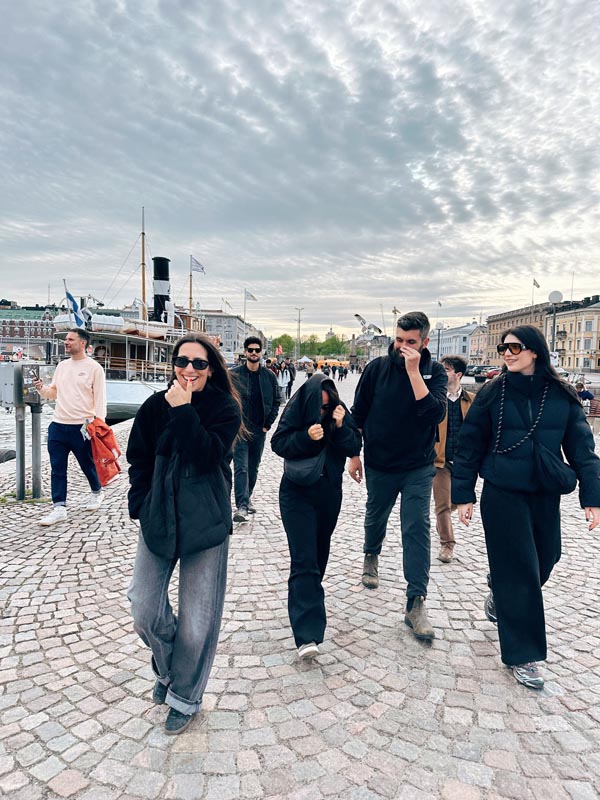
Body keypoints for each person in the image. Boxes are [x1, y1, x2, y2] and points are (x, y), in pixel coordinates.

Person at [452, 325, 600, 689]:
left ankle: (498, 590)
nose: (507, 353)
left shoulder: (562, 395)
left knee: (547, 557)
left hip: (544, 491)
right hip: (502, 492)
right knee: (520, 571)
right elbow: (469, 445)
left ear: (535, 351)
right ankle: (524, 655)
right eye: (503, 348)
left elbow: (582, 449)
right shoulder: (492, 393)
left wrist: (593, 497)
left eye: (515, 347)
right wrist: (464, 494)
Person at [126, 333, 242, 734]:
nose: (189, 369)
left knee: (198, 620)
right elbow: (139, 459)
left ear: (211, 369)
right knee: (143, 607)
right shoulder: (153, 406)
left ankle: (184, 697)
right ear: (173, 364)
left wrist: (185, 410)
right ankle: (167, 666)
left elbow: (207, 455)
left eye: (199, 363)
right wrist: (140, 504)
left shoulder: (225, 408)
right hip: (159, 516)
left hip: (205, 521)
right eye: (182, 361)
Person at [348, 311, 447, 640]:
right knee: (376, 514)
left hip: (418, 465)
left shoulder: (434, 372)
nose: (402, 346)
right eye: (399, 340)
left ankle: (415, 602)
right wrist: (354, 454)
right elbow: (358, 414)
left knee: (416, 526)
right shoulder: (376, 369)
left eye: (411, 342)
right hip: (380, 462)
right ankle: (371, 553)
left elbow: (434, 413)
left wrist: (415, 372)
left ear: (425, 342)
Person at [271, 375, 361, 659]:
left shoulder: (339, 412)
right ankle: (307, 635)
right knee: (304, 558)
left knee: (319, 556)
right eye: (319, 407)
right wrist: (306, 437)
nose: (323, 411)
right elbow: (278, 443)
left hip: (328, 494)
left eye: (326, 407)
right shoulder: (296, 409)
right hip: (296, 493)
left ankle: (304, 598)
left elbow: (353, 446)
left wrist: (339, 426)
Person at [33, 328, 106, 526]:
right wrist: (41, 388)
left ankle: (97, 491)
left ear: (82, 343)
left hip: (81, 427)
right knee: (57, 468)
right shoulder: (62, 366)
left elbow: (100, 400)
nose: (66, 342)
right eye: (66, 339)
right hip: (58, 425)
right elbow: (53, 393)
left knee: (86, 464)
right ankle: (59, 508)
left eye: (70, 339)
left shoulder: (94, 368)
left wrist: (99, 425)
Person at [230, 337, 279, 522]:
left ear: (261, 352)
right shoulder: (234, 375)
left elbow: (276, 401)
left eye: (257, 350)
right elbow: (226, 399)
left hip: (259, 429)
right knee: (241, 467)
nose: (253, 353)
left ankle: (247, 498)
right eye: (250, 350)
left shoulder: (269, 376)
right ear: (245, 352)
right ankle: (241, 506)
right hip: (240, 429)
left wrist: (268, 424)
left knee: (253, 467)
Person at [433, 355, 474, 563]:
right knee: (442, 505)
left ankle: (443, 521)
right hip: (440, 460)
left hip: (464, 462)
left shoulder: (472, 400)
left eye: (447, 369)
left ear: (458, 374)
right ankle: (447, 544)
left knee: (453, 503)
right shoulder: (435, 398)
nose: (442, 373)